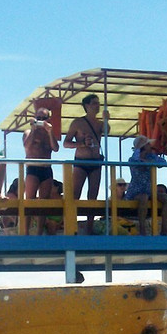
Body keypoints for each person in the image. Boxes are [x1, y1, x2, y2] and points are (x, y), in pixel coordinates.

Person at [64, 93, 110, 234]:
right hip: (81, 162)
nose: (98, 105)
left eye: (98, 103)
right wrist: (82, 144)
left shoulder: (100, 124)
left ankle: (89, 227)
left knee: (93, 196)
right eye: (95, 103)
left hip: (96, 162)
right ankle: (71, 226)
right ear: (87, 105)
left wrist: (106, 119)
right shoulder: (77, 123)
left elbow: (107, 131)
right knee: (75, 194)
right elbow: (66, 143)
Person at [124, 135, 167, 235]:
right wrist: (141, 152)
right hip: (135, 192)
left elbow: (163, 163)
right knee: (143, 197)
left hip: (150, 191)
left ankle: (164, 229)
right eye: (148, 144)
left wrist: (149, 159)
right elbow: (136, 161)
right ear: (143, 147)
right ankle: (142, 229)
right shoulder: (132, 159)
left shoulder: (151, 157)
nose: (151, 145)